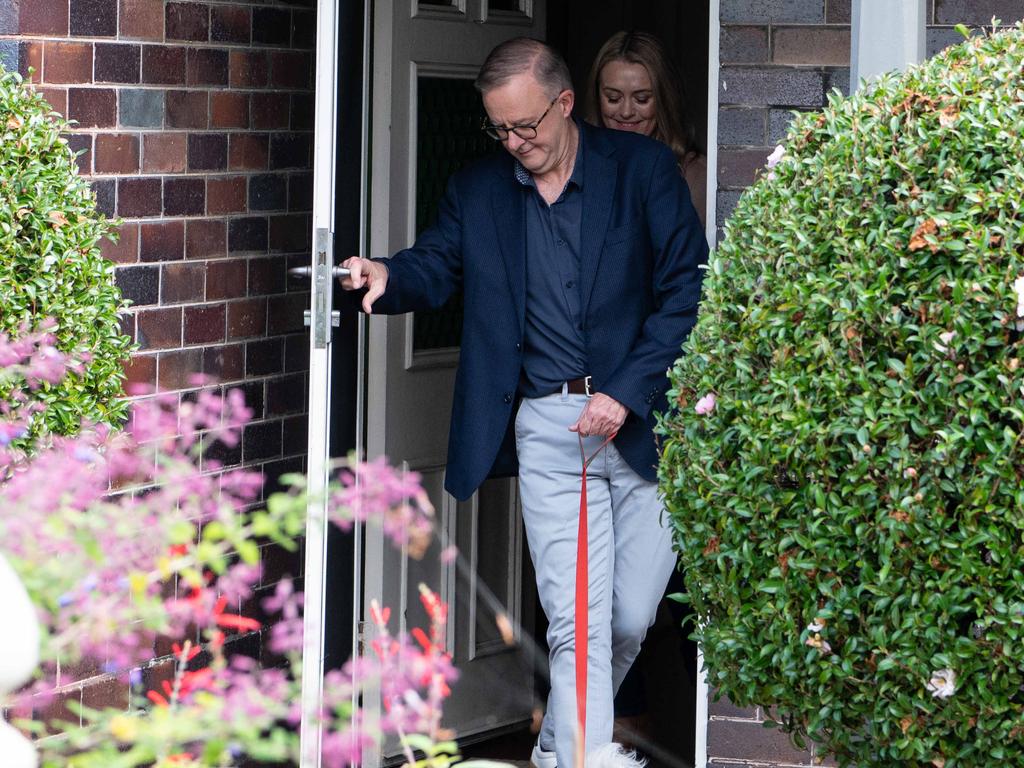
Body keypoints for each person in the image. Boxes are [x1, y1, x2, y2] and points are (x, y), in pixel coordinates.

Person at [341, 37, 707, 768]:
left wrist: (625, 394)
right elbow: (437, 264)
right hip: (549, 427)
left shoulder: (642, 171)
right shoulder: (480, 189)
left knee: (630, 617)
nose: (515, 142)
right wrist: (388, 273)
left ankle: (555, 744)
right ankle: (580, 759)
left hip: (643, 424)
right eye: (500, 130)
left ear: (565, 103)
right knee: (579, 626)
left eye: (527, 126)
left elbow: (687, 292)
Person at [584, 31, 707, 229]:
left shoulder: (694, 174)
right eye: (613, 98)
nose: (626, 112)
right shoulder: (577, 163)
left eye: (641, 99)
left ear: (664, 99)